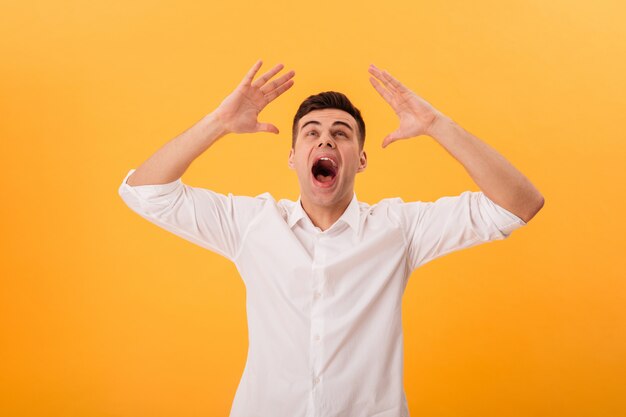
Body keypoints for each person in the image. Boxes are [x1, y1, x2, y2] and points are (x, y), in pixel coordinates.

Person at [118, 59, 544, 417]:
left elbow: (519, 204)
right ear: (293, 158)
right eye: (312, 132)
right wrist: (218, 123)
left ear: (360, 160)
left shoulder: (398, 230)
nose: (325, 138)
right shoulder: (253, 224)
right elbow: (144, 192)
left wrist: (436, 124)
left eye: (341, 132)